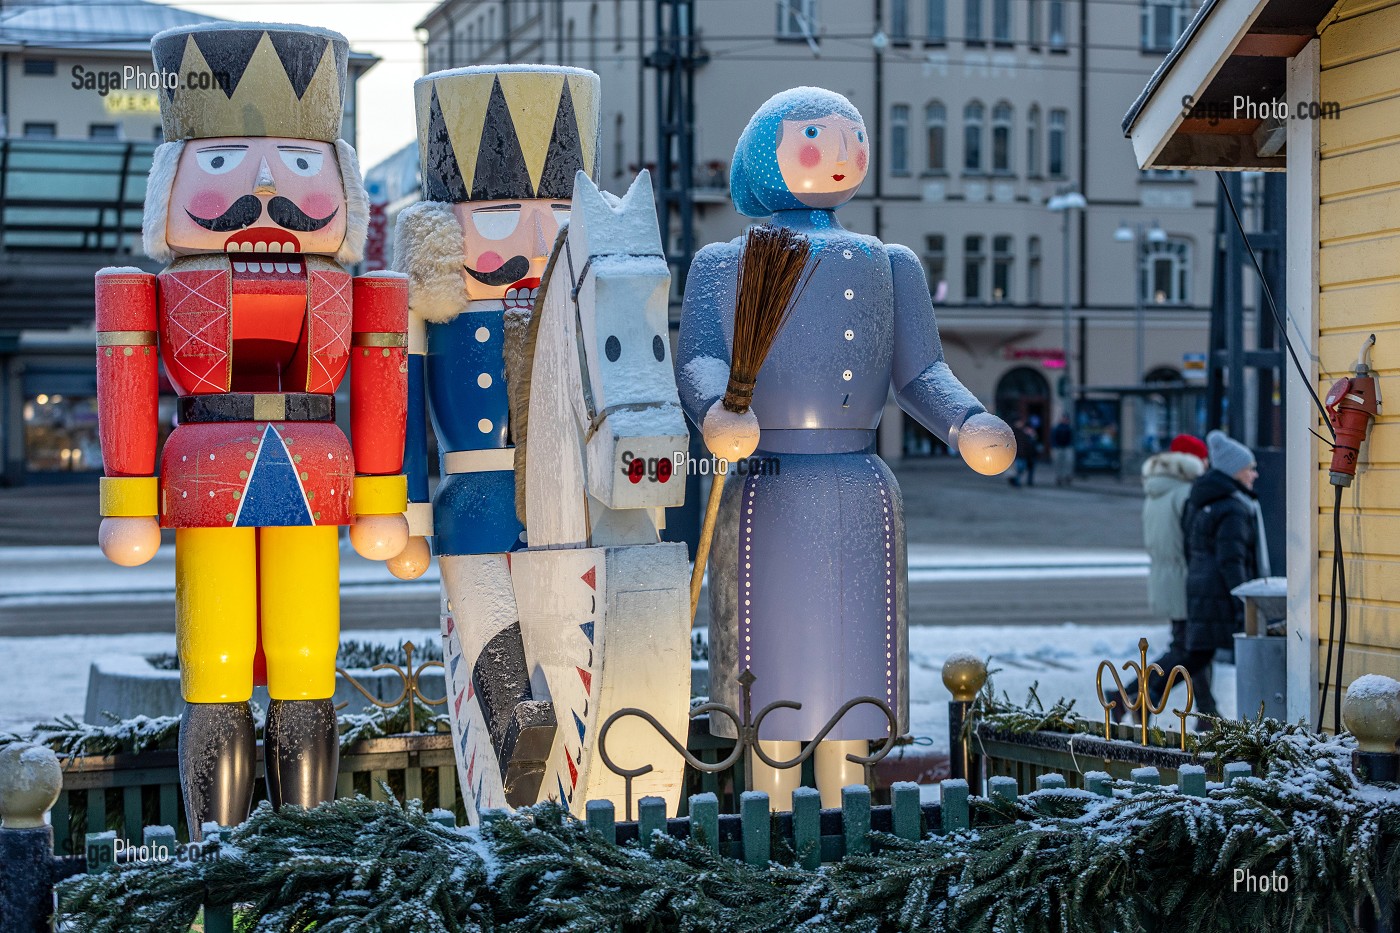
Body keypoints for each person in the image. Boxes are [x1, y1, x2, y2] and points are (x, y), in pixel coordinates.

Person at [677, 86, 1016, 809]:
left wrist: (966, 420)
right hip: (768, 485)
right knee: (768, 684)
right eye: (814, 135)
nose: (837, 152)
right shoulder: (726, 263)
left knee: (852, 690)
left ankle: (844, 815)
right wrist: (718, 409)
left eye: (850, 137)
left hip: (859, 486)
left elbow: (920, 370)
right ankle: (770, 815)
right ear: (768, 151)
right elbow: (703, 356)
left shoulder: (888, 264)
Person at [1106, 434, 1207, 722]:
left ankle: (1206, 711)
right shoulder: (1186, 493)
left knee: (1194, 647)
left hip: (1167, 579)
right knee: (1189, 648)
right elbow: (1190, 542)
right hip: (1185, 580)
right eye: (1203, 458)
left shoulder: (1158, 489)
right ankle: (1131, 695)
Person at [1051, 414, 1075, 486]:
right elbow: (1053, 437)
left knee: (1068, 462)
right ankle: (1059, 477)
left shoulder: (1069, 428)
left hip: (1067, 447)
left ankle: (1067, 476)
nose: (1064, 420)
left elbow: (1072, 437)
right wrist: (1054, 445)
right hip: (1059, 447)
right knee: (1058, 463)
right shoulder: (1057, 428)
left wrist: (1071, 445)